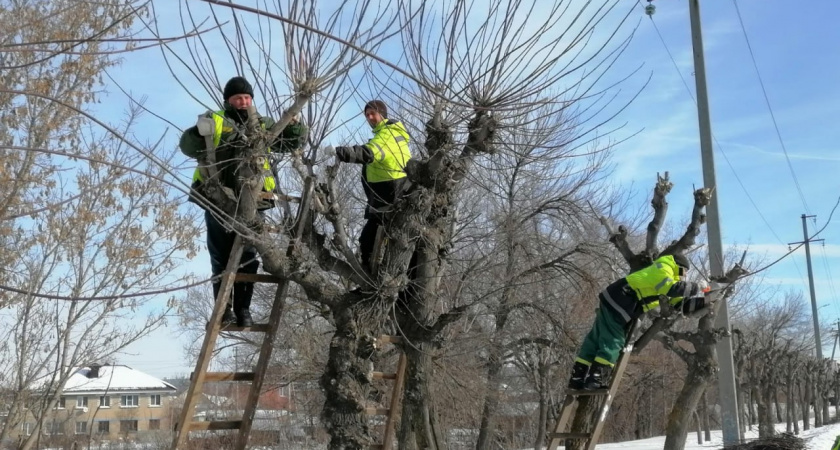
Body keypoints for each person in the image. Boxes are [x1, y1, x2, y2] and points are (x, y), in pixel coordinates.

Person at [179, 76, 307, 326]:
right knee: (221, 257)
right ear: (228, 100)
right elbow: (188, 146)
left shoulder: (262, 124)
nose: (243, 102)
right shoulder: (215, 120)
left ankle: (243, 311)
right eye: (238, 98)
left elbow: (292, 142)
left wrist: (294, 125)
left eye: (247, 98)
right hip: (219, 200)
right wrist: (196, 133)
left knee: (249, 258)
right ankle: (223, 311)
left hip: (254, 200)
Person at [568, 253, 707, 390]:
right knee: (614, 340)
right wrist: (696, 287)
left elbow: (679, 304)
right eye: (684, 271)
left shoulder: (670, 279)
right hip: (621, 300)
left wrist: (706, 301)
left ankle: (577, 378)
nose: (685, 275)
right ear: (678, 267)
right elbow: (670, 287)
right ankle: (596, 379)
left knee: (595, 339)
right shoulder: (663, 267)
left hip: (617, 300)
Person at [332, 100, 412, 271]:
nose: (369, 117)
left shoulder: (388, 133)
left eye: (372, 113)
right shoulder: (386, 134)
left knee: (372, 243)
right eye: (367, 114)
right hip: (383, 199)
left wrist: (339, 151)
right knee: (369, 242)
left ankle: (374, 281)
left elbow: (368, 153)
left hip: (391, 197)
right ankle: (370, 280)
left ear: (382, 113)